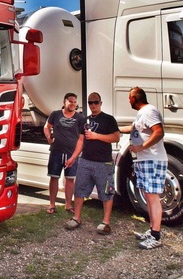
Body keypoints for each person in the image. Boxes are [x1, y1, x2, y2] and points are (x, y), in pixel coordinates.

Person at [119, 87, 167, 249]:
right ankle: (153, 229)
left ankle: (156, 237)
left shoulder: (149, 111)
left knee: (152, 197)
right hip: (145, 161)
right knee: (148, 196)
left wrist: (142, 147)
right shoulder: (142, 114)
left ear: (134, 98)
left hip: (152, 160)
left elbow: (159, 132)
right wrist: (115, 128)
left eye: (129, 98)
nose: (128, 101)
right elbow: (133, 129)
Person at [65, 92, 120, 234]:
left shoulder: (108, 119)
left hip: (103, 163)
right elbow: (81, 141)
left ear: (101, 103)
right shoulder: (85, 120)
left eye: (96, 102)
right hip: (85, 161)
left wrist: (97, 136)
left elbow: (115, 137)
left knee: (106, 192)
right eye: (90, 102)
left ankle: (105, 222)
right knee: (79, 189)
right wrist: (73, 158)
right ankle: (76, 218)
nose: (93, 105)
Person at [43, 92, 85, 214]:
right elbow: (46, 127)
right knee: (54, 177)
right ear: (64, 102)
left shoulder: (80, 118)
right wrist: (48, 137)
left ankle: (68, 204)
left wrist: (75, 155)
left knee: (70, 179)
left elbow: (81, 138)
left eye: (74, 102)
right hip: (56, 152)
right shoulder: (55, 114)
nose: (72, 104)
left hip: (72, 154)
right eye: (70, 101)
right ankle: (52, 205)